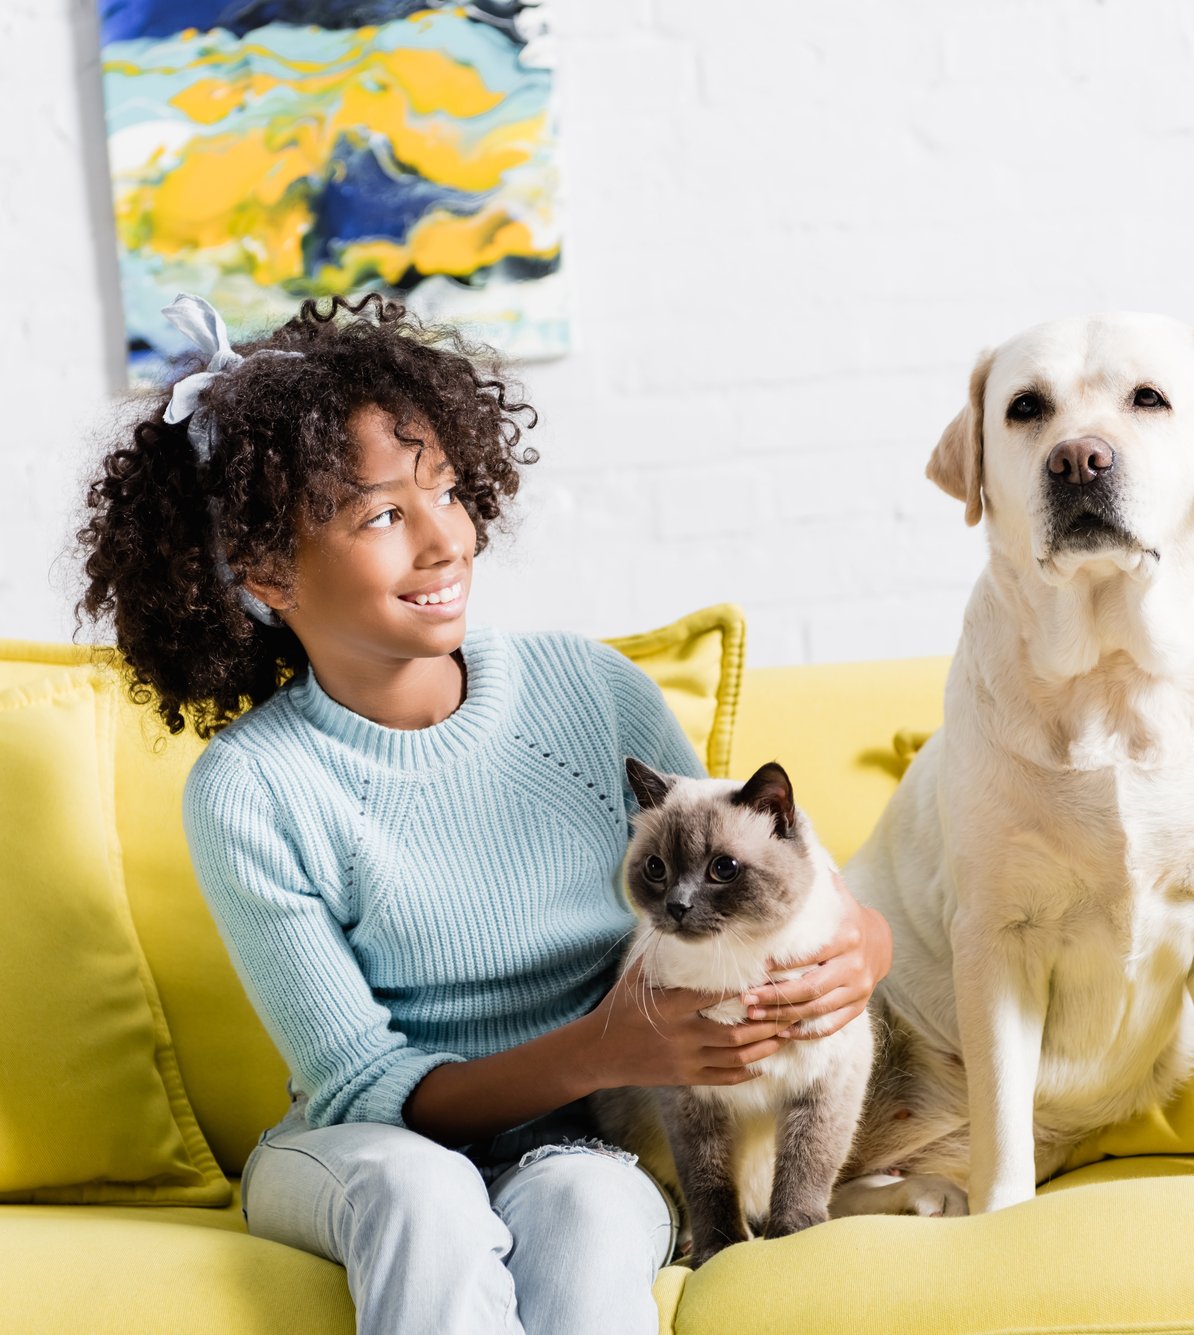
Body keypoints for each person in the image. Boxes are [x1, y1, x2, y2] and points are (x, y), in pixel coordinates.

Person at [73, 291, 892, 1335]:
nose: (444, 541)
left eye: (447, 491)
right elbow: (363, 1085)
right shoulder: (252, 788)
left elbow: (756, 879)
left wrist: (864, 944)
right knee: (424, 1196)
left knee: (591, 1209)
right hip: (357, 1149)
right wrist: (607, 1050)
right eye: (381, 514)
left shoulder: (591, 694)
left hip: (580, 1140)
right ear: (267, 573)